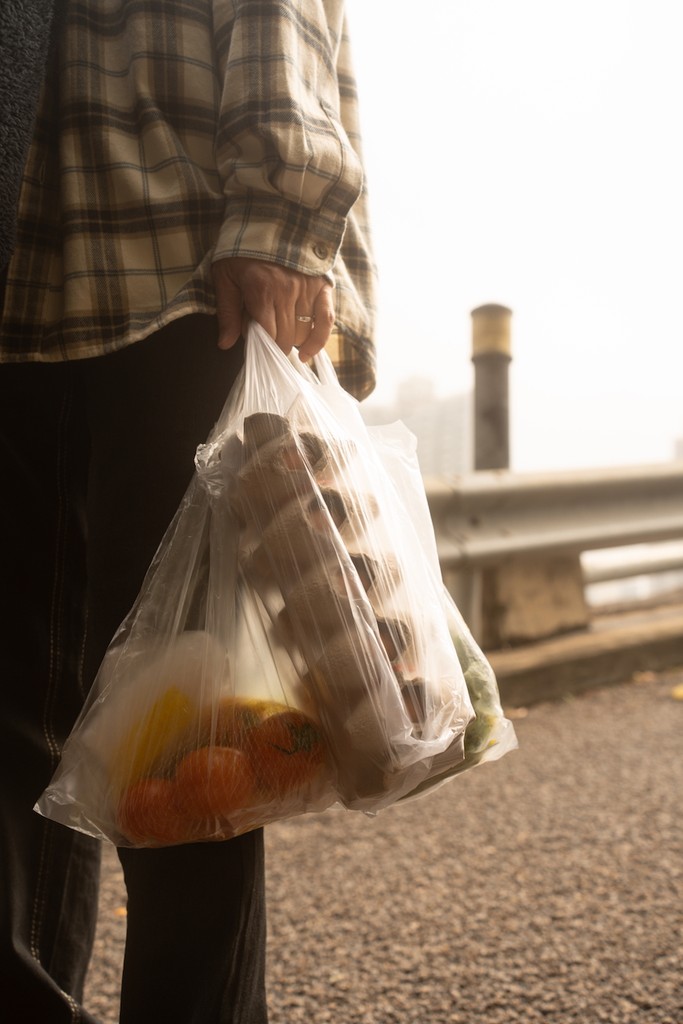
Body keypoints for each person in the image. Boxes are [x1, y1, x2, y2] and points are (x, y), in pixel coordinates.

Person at [0, 2, 377, 1021]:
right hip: (21, 279)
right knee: (15, 726)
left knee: (186, 752)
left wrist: (280, 207)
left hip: (176, 261)